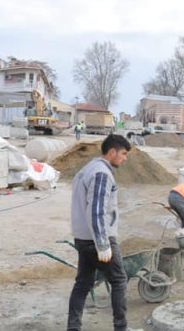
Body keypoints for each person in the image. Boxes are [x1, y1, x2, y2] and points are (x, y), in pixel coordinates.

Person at [67, 134, 132, 331]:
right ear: (112, 152)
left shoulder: (87, 169)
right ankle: (121, 327)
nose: (125, 158)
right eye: (123, 153)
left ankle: (73, 327)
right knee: (119, 280)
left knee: (83, 283)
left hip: (83, 238)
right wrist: (103, 244)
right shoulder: (102, 173)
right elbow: (96, 211)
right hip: (97, 239)